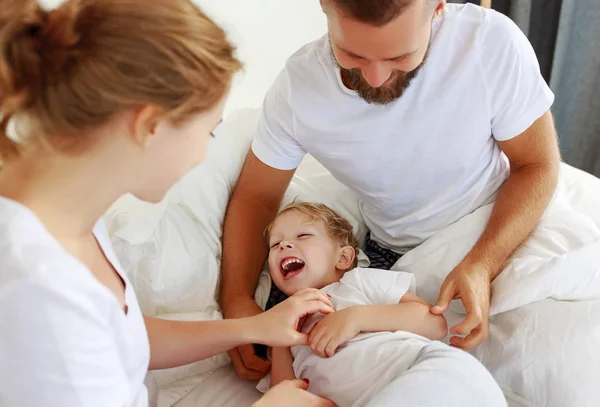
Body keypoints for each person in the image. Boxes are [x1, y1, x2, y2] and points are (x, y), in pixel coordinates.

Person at [0, 1, 335, 406]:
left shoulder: (63, 211)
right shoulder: (38, 289)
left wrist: (252, 328)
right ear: (149, 125)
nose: (200, 157)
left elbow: (121, 338)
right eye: (209, 133)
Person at [220, 0, 561, 381]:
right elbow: (257, 198)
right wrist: (236, 300)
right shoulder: (299, 90)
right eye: (351, 54)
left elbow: (537, 165)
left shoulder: (487, 43)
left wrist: (483, 262)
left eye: (400, 56)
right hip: (392, 254)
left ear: (437, 8)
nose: (377, 76)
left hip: (496, 227)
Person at [256, 201, 506, 406]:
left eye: (303, 236)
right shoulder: (283, 327)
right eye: (275, 244)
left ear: (343, 257)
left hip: (428, 372)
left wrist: (356, 318)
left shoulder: (357, 282)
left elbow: (433, 323)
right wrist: (281, 342)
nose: (285, 245)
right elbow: (283, 397)